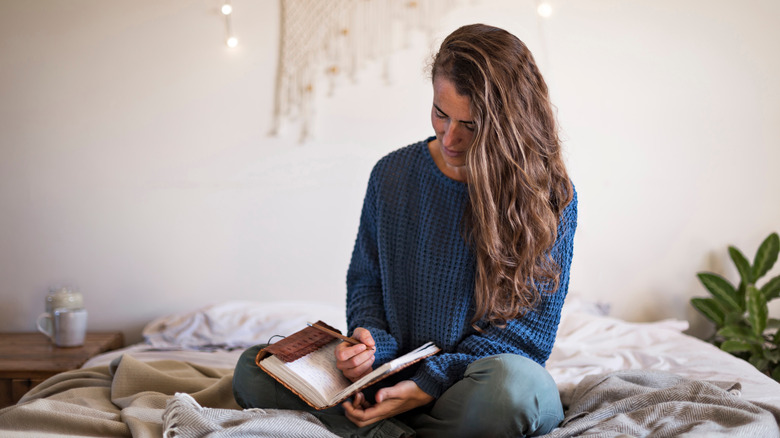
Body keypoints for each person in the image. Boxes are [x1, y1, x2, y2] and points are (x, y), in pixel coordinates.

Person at [233, 23, 577, 438]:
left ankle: (381, 431)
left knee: (519, 389)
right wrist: (369, 343)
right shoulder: (391, 174)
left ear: (509, 124)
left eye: (471, 124)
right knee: (255, 367)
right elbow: (366, 283)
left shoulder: (547, 196)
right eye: (440, 113)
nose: (450, 137)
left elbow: (526, 339)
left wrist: (427, 385)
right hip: (389, 383)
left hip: (466, 389)